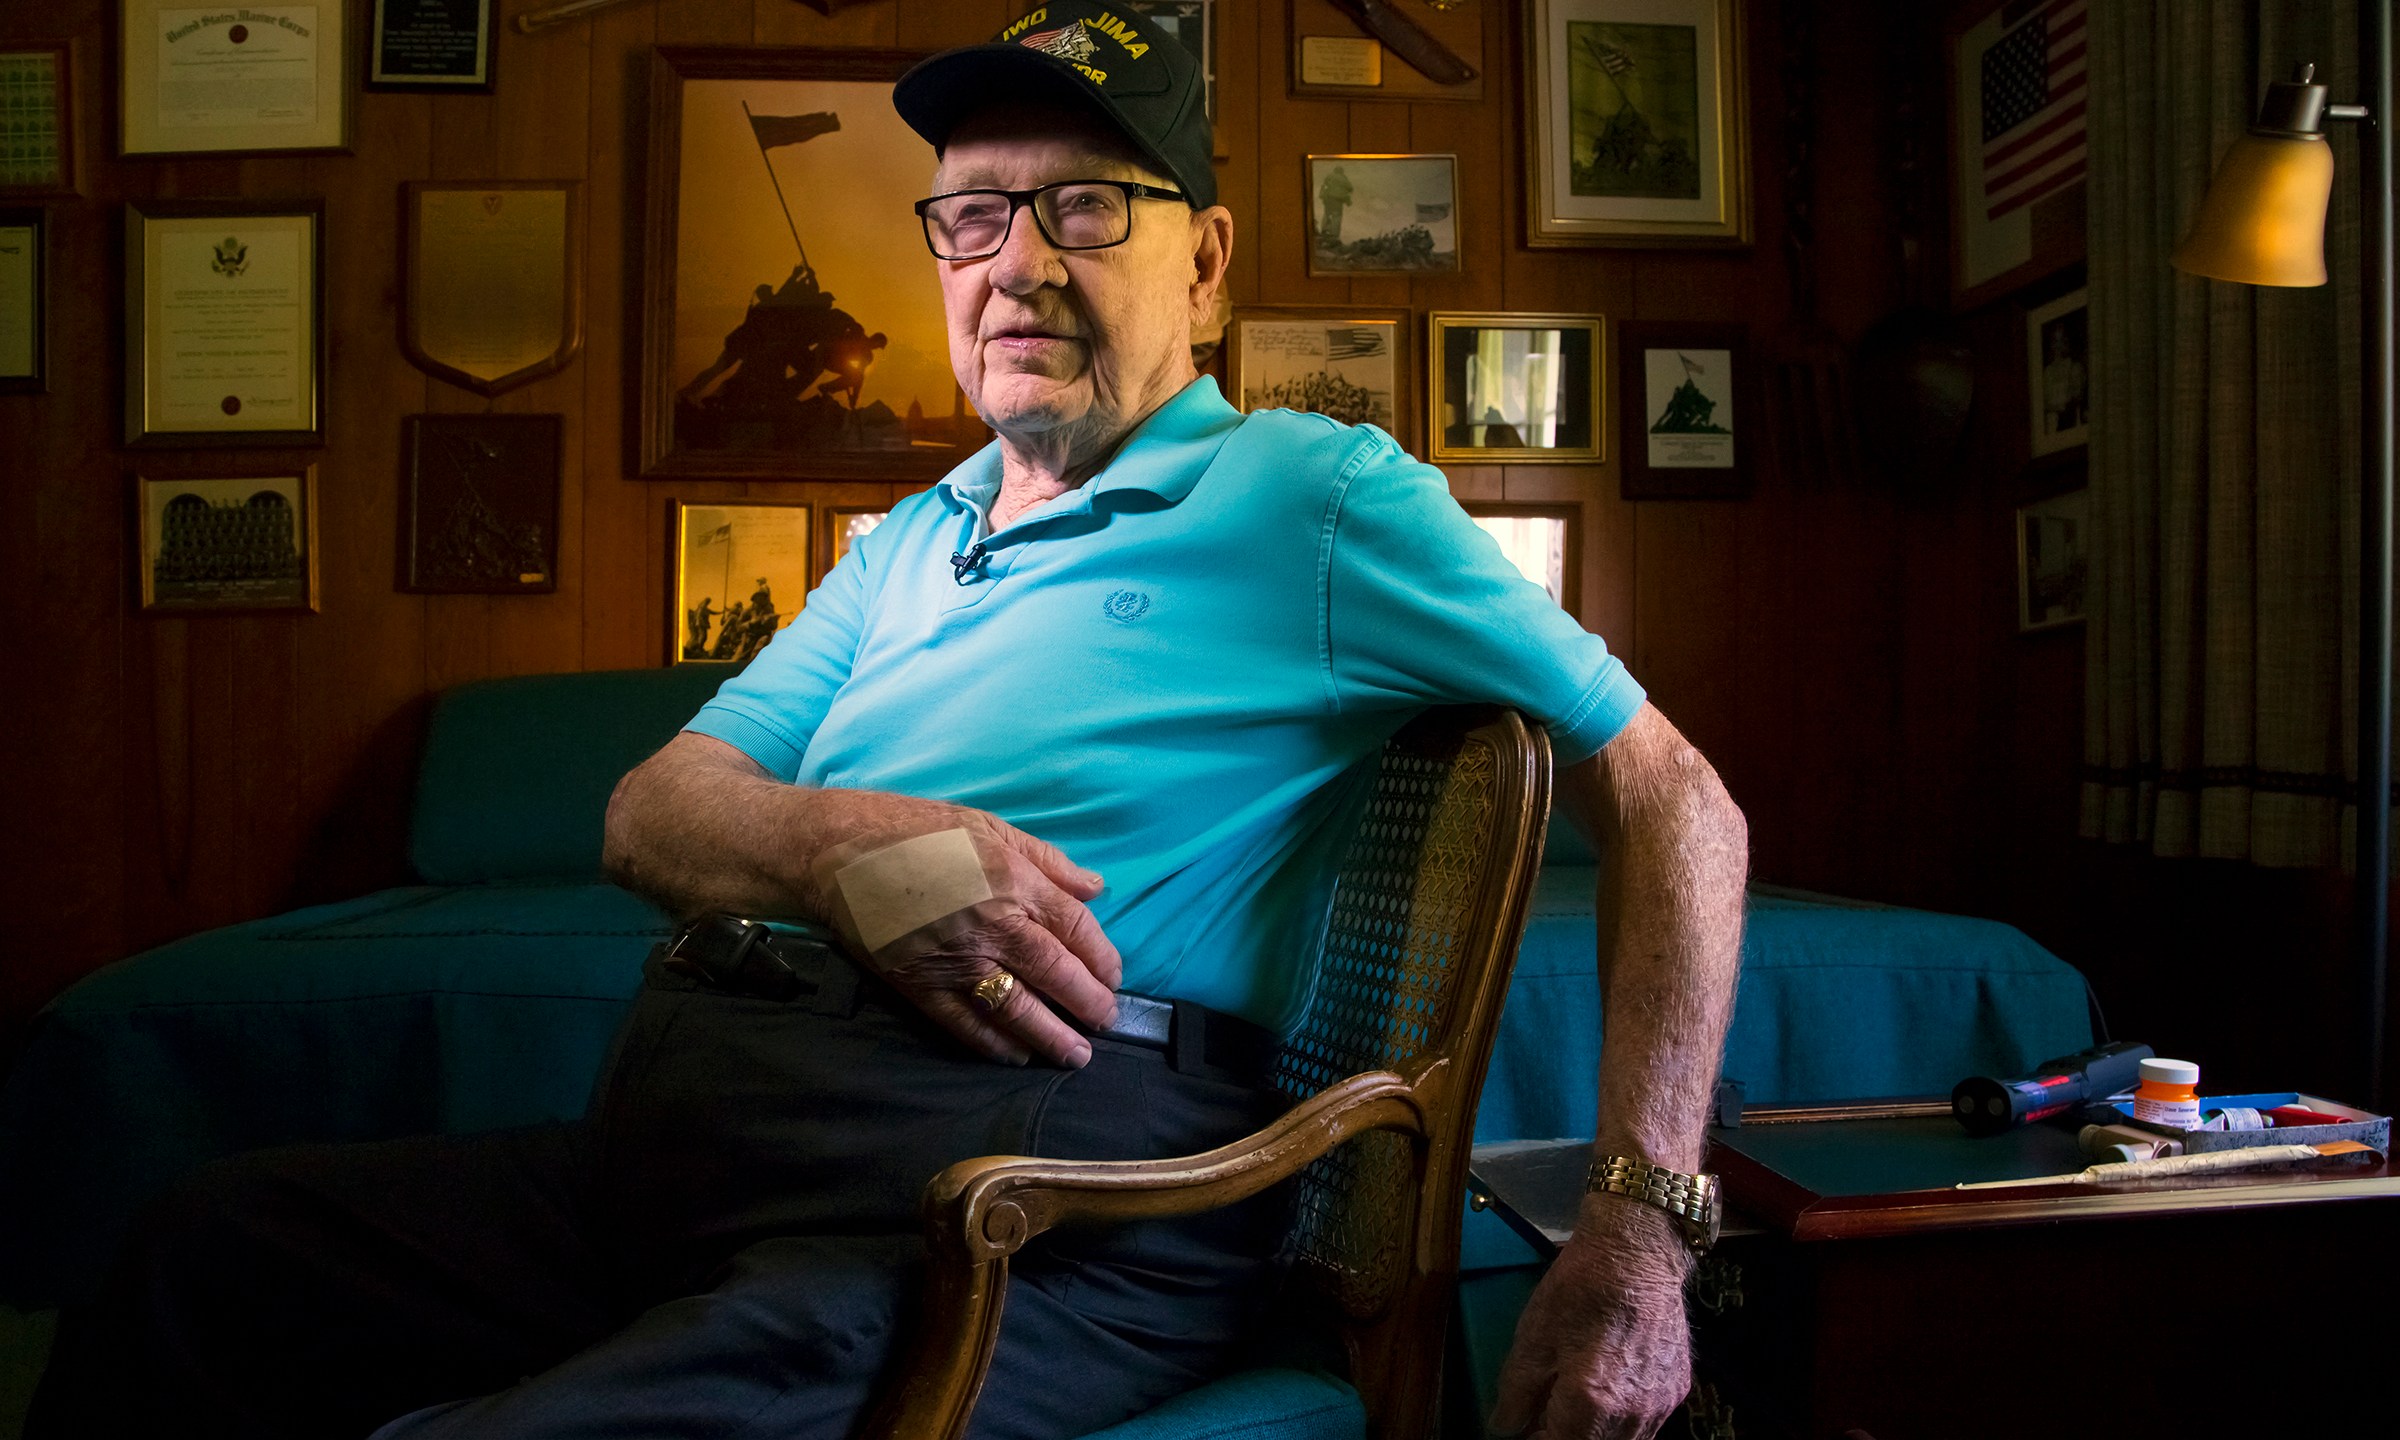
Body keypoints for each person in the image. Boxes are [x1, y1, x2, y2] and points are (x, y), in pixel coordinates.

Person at [30, 8, 1742, 1439]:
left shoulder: (1313, 491)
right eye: (973, 218)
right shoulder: (910, 537)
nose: (1014, 264)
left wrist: (1637, 1235)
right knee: (194, 1260)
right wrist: (839, 848)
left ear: (1206, 264)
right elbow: (653, 810)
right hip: (679, 1156)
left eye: (1083, 209)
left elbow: (1680, 804)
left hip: (1013, 1195)